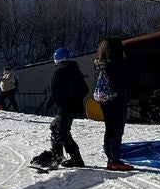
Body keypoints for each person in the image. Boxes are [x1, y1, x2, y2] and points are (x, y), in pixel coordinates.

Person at [31, 47, 90, 170]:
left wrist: (48, 105)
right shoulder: (75, 70)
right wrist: (75, 99)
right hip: (75, 107)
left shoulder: (58, 71)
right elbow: (85, 89)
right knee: (55, 127)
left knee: (62, 132)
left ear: (56, 59)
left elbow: (54, 92)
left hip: (65, 108)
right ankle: (58, 156)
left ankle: (75, 159)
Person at [93, 37, 132, 171]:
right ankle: (115, 161)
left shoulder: (101, 64)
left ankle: (111, 159)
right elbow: (122, 83)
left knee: (109, 129)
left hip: (105, 100)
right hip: (117, 100)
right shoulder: (117, 65)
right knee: (117, 131)